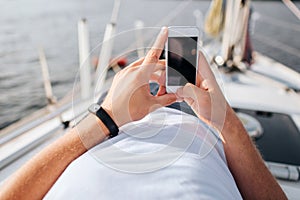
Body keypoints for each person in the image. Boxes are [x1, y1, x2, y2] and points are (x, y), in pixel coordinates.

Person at [0, 27, 286, 200]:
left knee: (146, 87)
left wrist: (107, 115)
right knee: (169, 87)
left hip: (113, 129)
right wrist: (226, 122)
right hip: (188, 132)